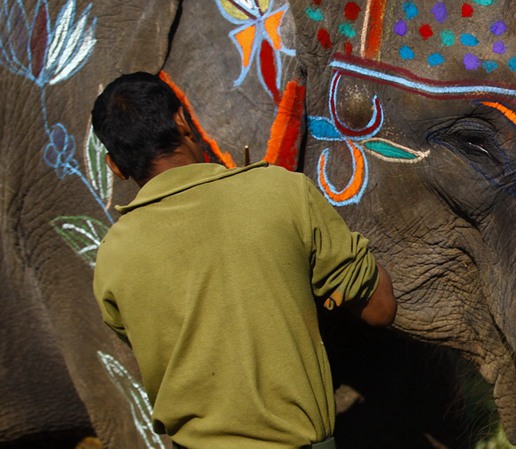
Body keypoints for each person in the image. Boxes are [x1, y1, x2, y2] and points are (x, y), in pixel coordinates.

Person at [90, 72, 397, 449]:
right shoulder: (280, 193)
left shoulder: (111, 256)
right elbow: (380, 308)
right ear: (183, 122)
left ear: (115, 167)